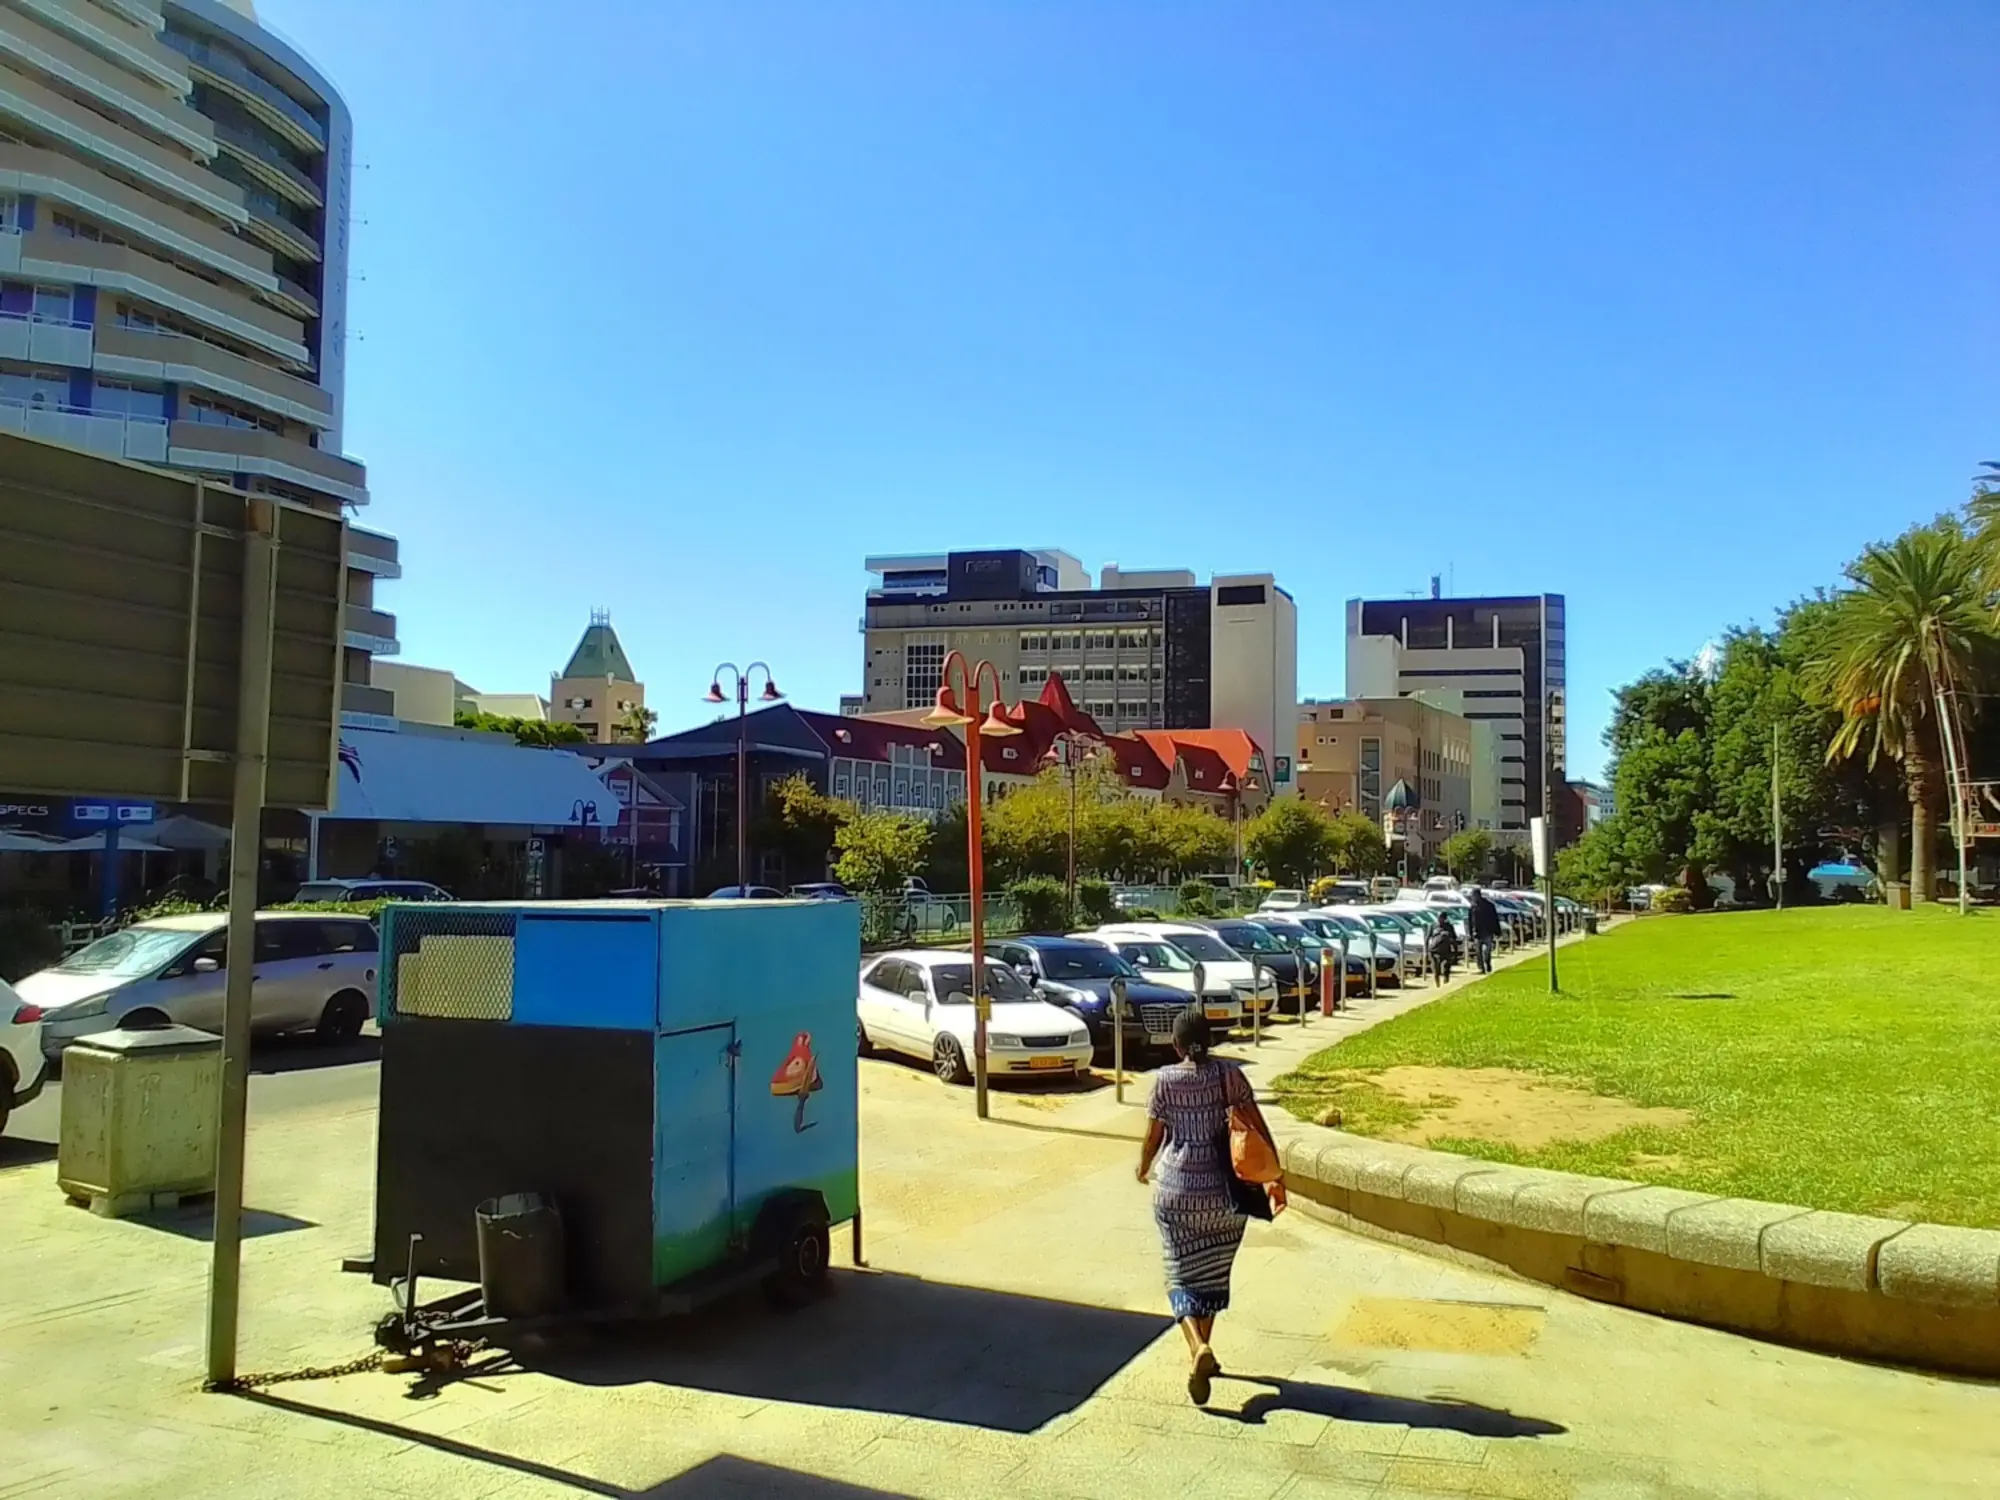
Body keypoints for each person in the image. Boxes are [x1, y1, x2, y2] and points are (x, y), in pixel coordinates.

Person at [1137, 1007, 1284, 1405]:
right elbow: (1256, 1125)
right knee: (1213, 1274)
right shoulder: (1230, 1076)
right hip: (1226, 1194)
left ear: (1176, 1045)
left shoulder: (1165, 1080)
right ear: (1212, 1040)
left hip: (1177, 1192)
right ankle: (1202, 1355)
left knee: (1179, 1273)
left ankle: (1197, 1346)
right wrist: (1274, 1173)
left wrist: (1143, 1167)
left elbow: (1154, 1136)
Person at [1468, 888, 1501, 974]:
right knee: (1478, 952)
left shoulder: (1488, 906)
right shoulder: (1472, 907)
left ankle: (1487, 962)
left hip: (1487, 931)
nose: (1473, 898)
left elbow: (1494, 918)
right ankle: (1481, 967)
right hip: (1477, 932)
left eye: (1474, 896)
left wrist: (1497, 931)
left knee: (1487, 950)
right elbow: (1470, 921)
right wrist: (1470, 933)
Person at [1426, 915, 1461, 983]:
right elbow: (1427, 938)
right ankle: (1436, 977)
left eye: (1441, 918)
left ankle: (1446, 976)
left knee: (1447, 963)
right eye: (1439, 918)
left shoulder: (1449, 926)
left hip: (1446, 949)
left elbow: (1454, 937)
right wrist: (1426, 949)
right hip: (1435, 949)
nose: (1440, 920)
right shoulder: (1432, 926)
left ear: (1445, 919)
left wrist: (1455, 949)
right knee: (1436, 965)